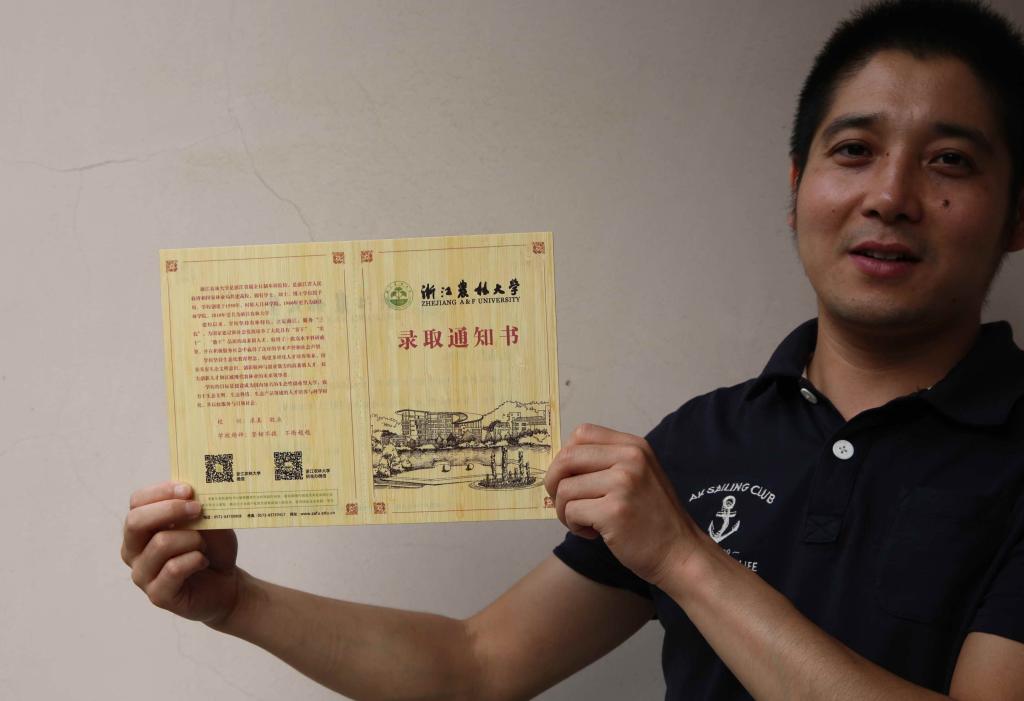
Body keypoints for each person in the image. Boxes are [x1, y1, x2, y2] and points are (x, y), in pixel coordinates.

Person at [121, 0, 1024, 698]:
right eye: (855, 149)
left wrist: (685, 560)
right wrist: (238, 602)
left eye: (949, 160)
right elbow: (476, 665)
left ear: (1018, 214)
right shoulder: (703, 440)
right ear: (797, 189)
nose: (891, 195)